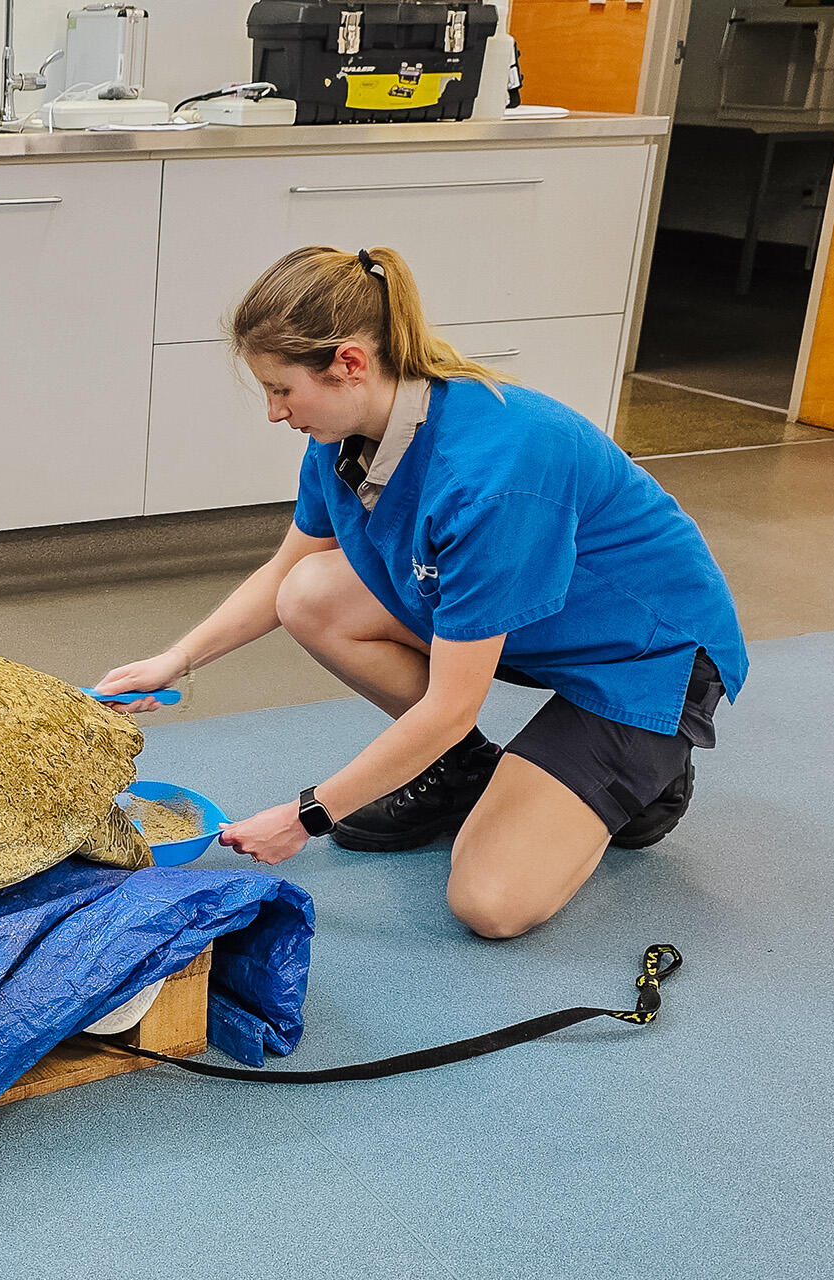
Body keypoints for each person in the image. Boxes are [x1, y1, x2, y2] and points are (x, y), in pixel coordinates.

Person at [96, 246, 747, 939]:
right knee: (311, 593)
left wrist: (308, 816)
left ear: (349, 363)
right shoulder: (345, 432)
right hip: (534, 626)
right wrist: (175, 661)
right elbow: (287, 571)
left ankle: (648, 783)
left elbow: (451, 705)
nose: (274, 412)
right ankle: (464, 773)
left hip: (642, 661)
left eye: (281, 390)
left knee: (490, 903)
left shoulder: (491, 473)